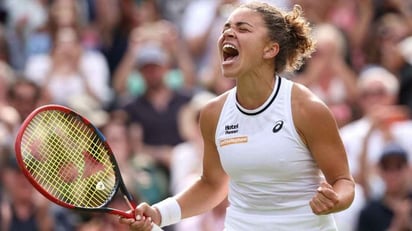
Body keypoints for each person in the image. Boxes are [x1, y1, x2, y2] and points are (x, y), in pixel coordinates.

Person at [120, 2, 355, 230]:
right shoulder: (213, 113)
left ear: (270, 49)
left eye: (242, 28)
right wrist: (160, 214)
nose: (228, 34)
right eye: (226, 28)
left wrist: (335, 199)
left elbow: (343, 181)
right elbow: (212, 185)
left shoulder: (306, 108)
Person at [356, 143, 412, 231]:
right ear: (379, 171)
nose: (392, 174)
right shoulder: (369, 212)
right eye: (386, 167)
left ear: (408, 168)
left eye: (398, 166)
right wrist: (397, 227)